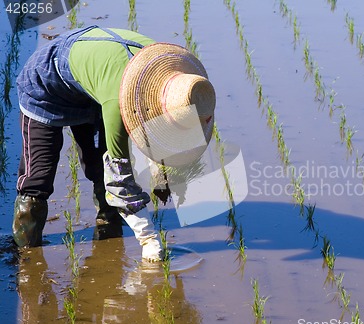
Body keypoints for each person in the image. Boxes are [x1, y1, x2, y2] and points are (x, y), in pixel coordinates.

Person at [12, 25, 216, 261]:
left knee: (98, 166)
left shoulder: (178, 80)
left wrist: (162, 175)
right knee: (38, 178)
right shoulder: (119, 105)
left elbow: (162, 135)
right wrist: (148, 238)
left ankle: (109, 234)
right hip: (47, 83)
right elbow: (120, 178)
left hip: (96, 83)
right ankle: (25, 257)